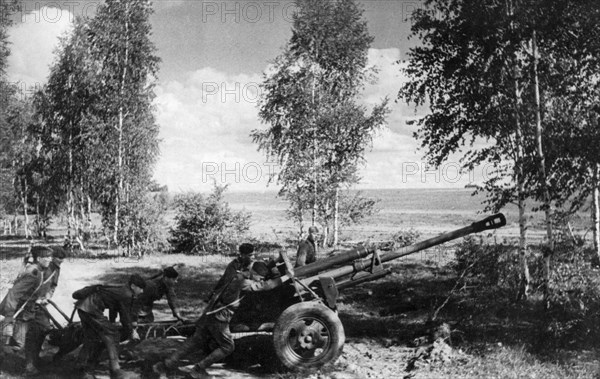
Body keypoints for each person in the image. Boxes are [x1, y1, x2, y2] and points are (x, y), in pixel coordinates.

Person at [153, 243, 282, 379]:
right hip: (220, 318)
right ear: (253, 273)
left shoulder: (237, 275)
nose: (260, 279)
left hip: (211, 313)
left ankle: (165, 365)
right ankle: (198, 369)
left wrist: (273, 263)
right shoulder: (243, 282)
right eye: (259, 277)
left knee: (196, 340)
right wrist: (284, 277)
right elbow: (264, 286)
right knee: (227, 346)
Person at [73, 274, 146, 379]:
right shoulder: (126, 294)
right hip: (91, 309)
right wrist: (132, 331)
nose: (142, 291)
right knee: (113, 335)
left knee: (92, 338)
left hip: (83, 307)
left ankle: (82, 368)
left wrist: (112, 322)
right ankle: (115, 370)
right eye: (141, 288)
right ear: (133, 286)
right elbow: (125, 316)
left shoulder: (122, 290)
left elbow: (114, 308)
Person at [0, 245, 54, 363]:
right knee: (19, 343)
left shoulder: (39, 270)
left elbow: (33, 291)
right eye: (47, 257)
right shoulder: (33, 273)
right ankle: (5, 359)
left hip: (32, 308)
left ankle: (31, 363)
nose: (50, 259)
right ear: (38, 259)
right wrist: (9, 316)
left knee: (41, 330)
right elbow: (14, 294)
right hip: (21, 310)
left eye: (50, 257)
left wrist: (39, 299)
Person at [21, 246, 68, 375]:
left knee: (44, 329)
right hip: (29, 306)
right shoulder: (36, 269)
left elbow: (53, 285)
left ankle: (35, 359)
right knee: (32, 334)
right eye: (58, 260)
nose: (60, 263)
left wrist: (48, 296)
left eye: (62, 261)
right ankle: (29, 366)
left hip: (41, 305)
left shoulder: (56, 269)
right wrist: (34, 300)